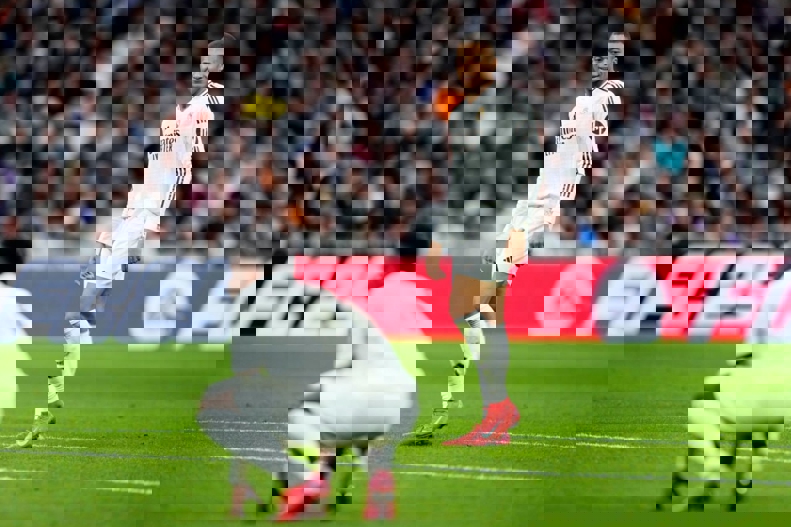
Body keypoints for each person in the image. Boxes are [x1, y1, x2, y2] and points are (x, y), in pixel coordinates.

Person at [15, 33, 236, 448]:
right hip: (125, 238)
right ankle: (54, 394)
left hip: (130, 240)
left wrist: (209, 71)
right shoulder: (153, 175)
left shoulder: (167, 169)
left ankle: (53, 397)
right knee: (80, 318)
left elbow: (197, 117)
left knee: (81, 318)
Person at [408, 29, 625, 446]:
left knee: (476, 311)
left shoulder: (500, 124)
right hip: (492, 220)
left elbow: (509, 175)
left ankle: (472, 409)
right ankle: (487, 409)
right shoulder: (480, 122)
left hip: (504, 221)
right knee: (477, 314)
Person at [193, 255, 419, 520]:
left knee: (289, 413)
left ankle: (306, 483)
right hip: (401, 401)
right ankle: (353, 474)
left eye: (240, 270)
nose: (232, 278)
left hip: (355, 397)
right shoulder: (314, 300)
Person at [656, 262, 791, 511]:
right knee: (758, 435)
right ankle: (741, 487)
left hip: (764, 366)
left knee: (703, 411)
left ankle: (705, 473)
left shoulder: (779, 285)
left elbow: (757, 334)